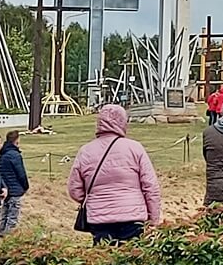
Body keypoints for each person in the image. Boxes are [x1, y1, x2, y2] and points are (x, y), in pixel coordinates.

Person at [67, 104, 162, 244]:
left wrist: (94, 198)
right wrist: (153, 220)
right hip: (132, 216)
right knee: (131, 261)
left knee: (104, 259)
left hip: (99, 217)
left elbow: (74, 189)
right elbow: (151, 187)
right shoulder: (135, 148)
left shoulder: (85, 151)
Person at [0, 130, 29, 236]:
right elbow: (21, 173)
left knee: (4, 214)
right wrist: (25, 186)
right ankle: (8, 237)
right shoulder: (14, 155)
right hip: (15, 189)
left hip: (5, 188)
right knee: (13, 216)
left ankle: (1, 233)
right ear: (17, 140)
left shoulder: (3, 154)